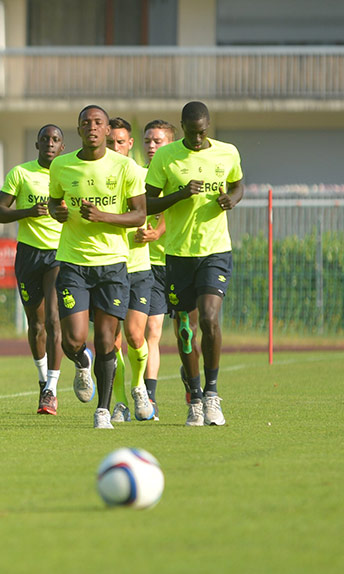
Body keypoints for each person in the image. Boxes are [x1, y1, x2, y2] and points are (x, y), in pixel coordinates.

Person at [48, 105, 147, 429]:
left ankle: (103, 410)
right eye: (86, 123)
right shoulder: (61, 165)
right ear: (79, 129)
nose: (92, 127)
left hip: (112, 265)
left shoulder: (125, 167)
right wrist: (57, 212)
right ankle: (82, 361)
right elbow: (54, 201)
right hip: (74, 263)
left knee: (106, 340)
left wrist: (103, 216)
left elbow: (139, 215)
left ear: (107, 130)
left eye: (98, 122)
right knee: (73, 340)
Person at [145, 101, 243, 426]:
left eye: (201, 132)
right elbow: (147, 203)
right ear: (182, 127)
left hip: (215, 251)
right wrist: (179, 195)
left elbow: (238, 184)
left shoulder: (227, 152)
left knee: (210, 319)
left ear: (208, 126)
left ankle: (212, 395)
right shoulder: (166, 157)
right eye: (191, 133)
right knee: (186, 332)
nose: (197, 139)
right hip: (178, 255)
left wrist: (232, 199)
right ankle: (195, 397)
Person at [0, 124, 66, 415]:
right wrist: (28, 212)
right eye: (45, 139)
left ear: (62, 147)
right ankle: (43, 380)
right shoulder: (20, 173)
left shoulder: (69, 174)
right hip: (28, 254)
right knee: (36, 324)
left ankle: (52, 390)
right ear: (37, 145)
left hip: (59, 254)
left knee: (53, 319)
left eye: (56, 139)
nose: (50, 143)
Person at [104, 116, 155, 423]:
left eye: (120, 142)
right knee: (111, 342)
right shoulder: (95, 175)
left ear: (129, 143)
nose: (115, 147)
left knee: (136, 335)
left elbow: (164, 210)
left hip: (138, 267)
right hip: (108, 268)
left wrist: (156, 232)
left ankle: (138, 387)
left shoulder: (142, 175)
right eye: (110, 142)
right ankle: (120, 402)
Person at [136, 119, 177, 417]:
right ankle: (146, 397)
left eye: (158, 141)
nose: (151, 146)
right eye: (148, 141)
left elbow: (175, 209)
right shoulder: (136, 175)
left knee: (187, 331)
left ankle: (193, 383)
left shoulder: (176, 174)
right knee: (147, 330)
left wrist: (159, 231)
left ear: (170, 144)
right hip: (143, 264)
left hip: (175, 260)